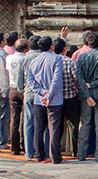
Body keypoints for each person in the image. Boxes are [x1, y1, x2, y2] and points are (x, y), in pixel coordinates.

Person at [75, 32, 98, 162]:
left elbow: (78, 77)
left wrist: (87, 91)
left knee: (85, 123)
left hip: (86, 95)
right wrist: (92, 85)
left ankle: (81, 154)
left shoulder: (82, 57)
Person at [27, 35, 64, 164]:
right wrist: (48, 95)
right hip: (54, 99)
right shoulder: (56, 59)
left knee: (39, 128)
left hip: (39, 98)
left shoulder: (34, 61)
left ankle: (39, 154)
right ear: (51, 46)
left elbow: (30, 80)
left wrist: (42, 92)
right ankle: (55, 156)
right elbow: (56, 80)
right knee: (53, 128)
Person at [18, 35, 42, 160]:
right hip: (42, 94)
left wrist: (22, 90)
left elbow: (19, 80)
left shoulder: (24, 58)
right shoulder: (43, 57)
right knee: (42, 124)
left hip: (28, 93)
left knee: (28, 123)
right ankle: (42, 151)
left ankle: (29, 152)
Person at [56, 37, 80, 157]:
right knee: (74, 124)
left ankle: (56, 149)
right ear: (64, 49)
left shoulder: (52, 61)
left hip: (56, 98)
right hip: (70, 96)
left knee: (57, 125)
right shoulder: (70, 61)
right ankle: (75, 150)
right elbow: (76, 79)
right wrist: (76, 88)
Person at [6, 37, 28, 155]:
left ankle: (14, 147)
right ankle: (24, 145)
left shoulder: (9, 58)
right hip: (24, 89)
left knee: (14, 119)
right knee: (25, 119)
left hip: (13, 88)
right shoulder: (26, 59)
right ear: (26, 49)